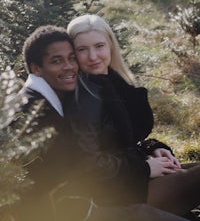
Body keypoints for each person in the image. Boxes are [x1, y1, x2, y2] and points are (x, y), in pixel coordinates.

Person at [11, 25, 191, 221]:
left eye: (72, 58)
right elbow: (81, 168)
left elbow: (105, 142)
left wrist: (150, 149)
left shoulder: (62, 95)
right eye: (57, 61)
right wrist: (144, 167)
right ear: (36, 68)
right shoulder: (34, 112)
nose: (69, 66)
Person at [67, 14, 200, 219]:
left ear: (111, 45)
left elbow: (124, 139)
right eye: (82, 50)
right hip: (117, 195)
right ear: (72, 55)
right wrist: (144, 168)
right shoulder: (81, 97)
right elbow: (92, 165)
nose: (93, 56)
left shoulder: (113, 81)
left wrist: (154, 148)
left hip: (137, 177)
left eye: (99, 46)